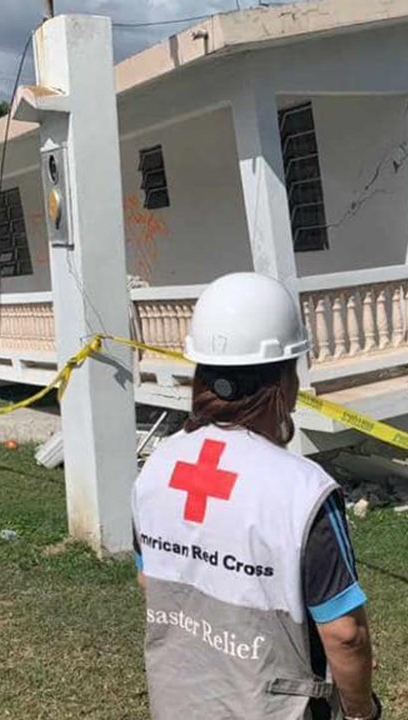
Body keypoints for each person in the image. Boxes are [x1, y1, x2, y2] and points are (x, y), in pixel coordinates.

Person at [131, 272, 381, 720]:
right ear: (284, 385)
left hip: (179, 702)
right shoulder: (304, 491)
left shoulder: (157, 466)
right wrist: (361, 712)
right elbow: (345, 633)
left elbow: (150, 579)